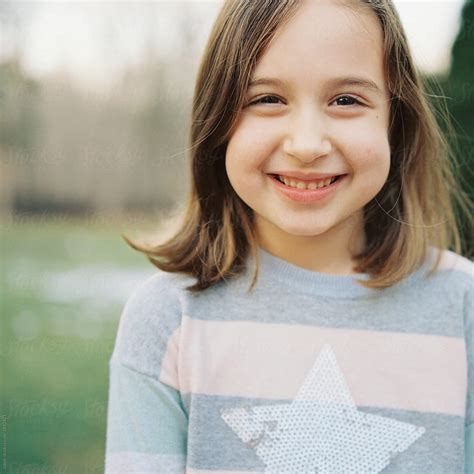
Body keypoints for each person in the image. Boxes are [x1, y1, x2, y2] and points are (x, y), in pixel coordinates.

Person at [104, 0, 474, 472]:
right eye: (267, 99)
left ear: (395, 122)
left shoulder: (462, 307)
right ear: (217, 121)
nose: (306, 145)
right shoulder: (167, 320)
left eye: (346, 100)